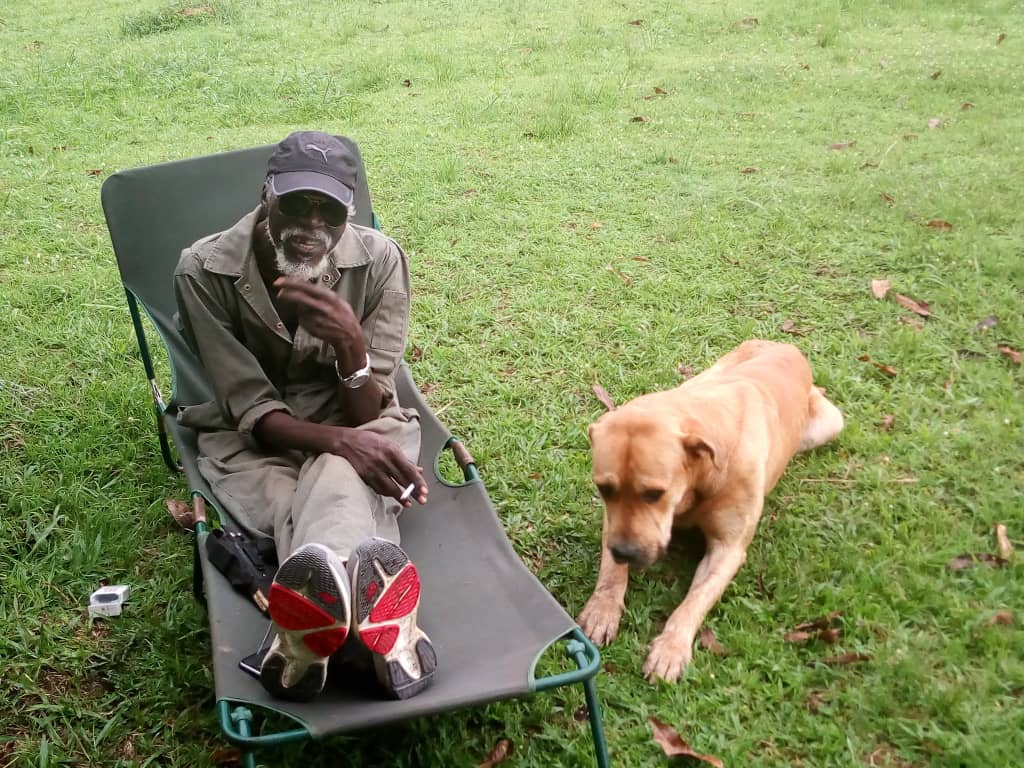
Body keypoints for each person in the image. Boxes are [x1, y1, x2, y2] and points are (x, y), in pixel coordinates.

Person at [174, 131, 436, 703]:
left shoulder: (381, 261)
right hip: (254, 443)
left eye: (331, 211)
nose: (311, 225)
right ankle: (382, 641)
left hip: (363, 421)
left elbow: (369, 408)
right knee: (343, 492)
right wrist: (347, 445)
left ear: (349, 211)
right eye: (295, 203)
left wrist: (350, 348)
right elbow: (250, 409)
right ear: (266, 195)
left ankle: (299, 637)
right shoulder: (203, 270)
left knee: (336, 487)